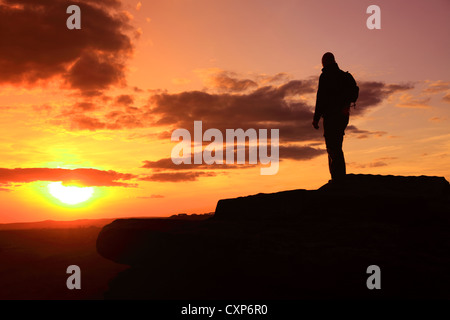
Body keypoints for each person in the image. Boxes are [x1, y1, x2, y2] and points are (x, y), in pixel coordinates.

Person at [312, 52, 351, 183]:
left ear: (325, 62)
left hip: (331, 117)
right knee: (336, 145)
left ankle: (337, 179)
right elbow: (353, 92)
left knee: (332, 147)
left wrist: (316, 118)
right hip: (342, 117)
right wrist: (346, 107)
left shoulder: (325, 76)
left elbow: (320, 98)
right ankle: (338, 177)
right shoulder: (343, 76)